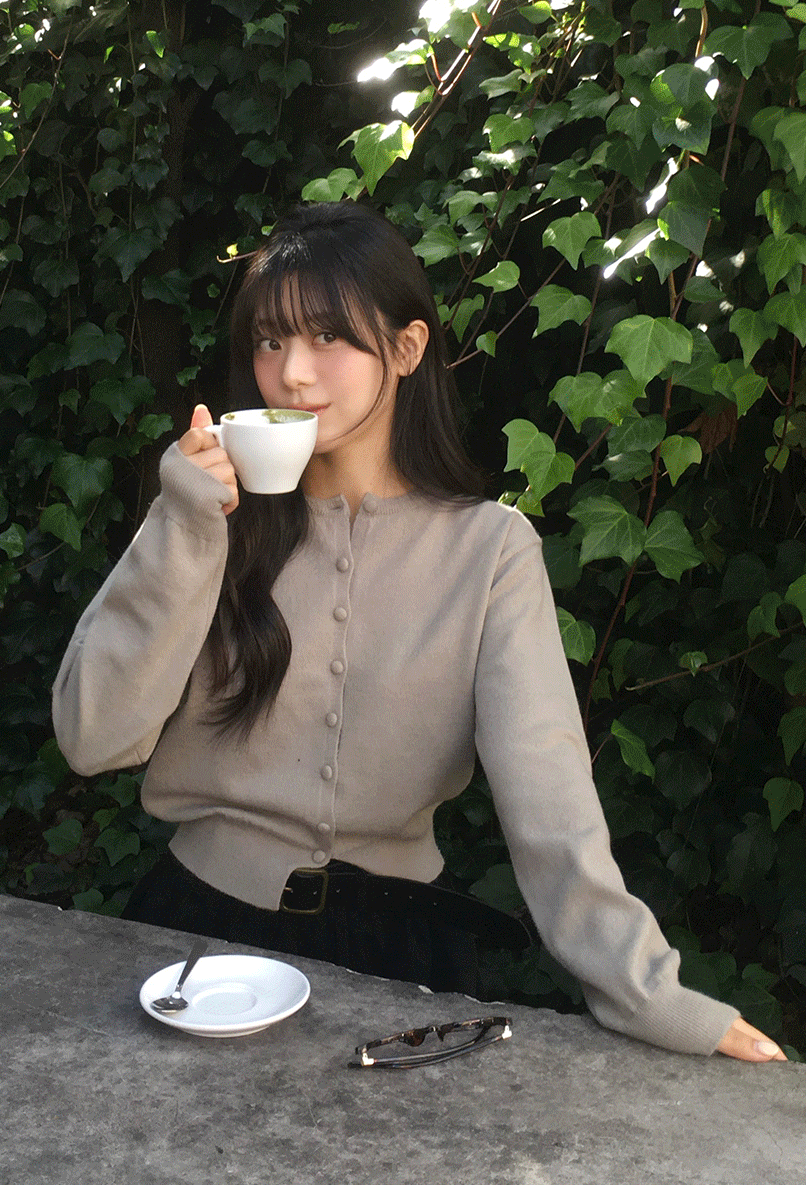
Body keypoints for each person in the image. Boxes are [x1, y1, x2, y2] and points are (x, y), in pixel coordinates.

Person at [52, 201, 784, 1062]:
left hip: (403, 958)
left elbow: (549, 797)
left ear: (406, 348)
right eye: (269, 341)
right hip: (196, 943)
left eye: (329, 337)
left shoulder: (491, 551)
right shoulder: (209, 519)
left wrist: (649, 993)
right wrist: (182, 526)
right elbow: (92, 738)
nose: (291, 373)